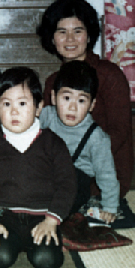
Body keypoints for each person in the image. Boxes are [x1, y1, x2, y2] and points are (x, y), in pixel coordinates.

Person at [0, 67, 76, 268]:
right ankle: (10, 242)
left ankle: (42, 243)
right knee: (0, 257)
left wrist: (51, 221)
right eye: (6, 104)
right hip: (6, 219)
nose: (13, 111)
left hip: (42, 219)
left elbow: (67, 185)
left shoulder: (53, 144)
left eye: (22, 103)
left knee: (46, 261)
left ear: (38, 107)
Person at [36, 0, 134, 198]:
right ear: (52, 38)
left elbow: (120, 130)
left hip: (101, 170)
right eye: (62, 32)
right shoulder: (53, 81)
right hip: (63, 167)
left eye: (77, 31)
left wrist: (78, 161)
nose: (70, 39)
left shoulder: (109, 74)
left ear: (89, 36)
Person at [39, 61, 119, 224]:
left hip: (74, 180)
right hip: (46, 172)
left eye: (81, 101)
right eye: (66, 98)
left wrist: (110, 208)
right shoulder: (46, 115)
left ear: (92, 105)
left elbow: (107, 175)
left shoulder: (96, 137)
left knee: (69, 197)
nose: (73, 108)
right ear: (53, 98)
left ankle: (50, 213)